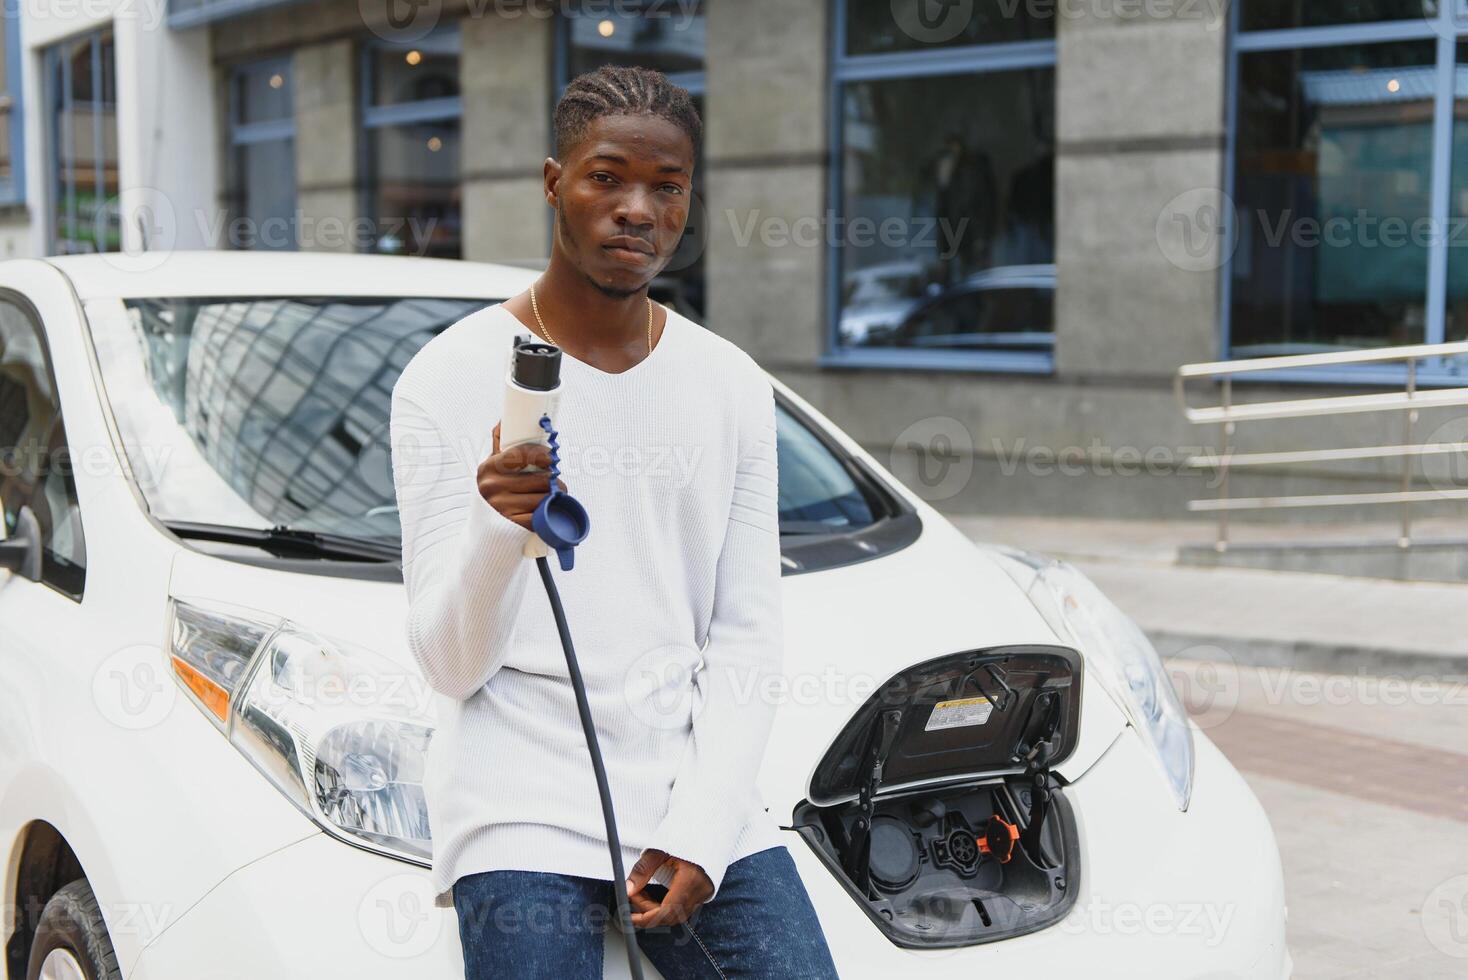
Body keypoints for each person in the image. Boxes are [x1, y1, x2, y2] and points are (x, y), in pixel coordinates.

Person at [388, 64, 841, 979]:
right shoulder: (445, 377)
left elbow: (747, 633)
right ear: (555, 183)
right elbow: (450, 665)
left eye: (666, 187)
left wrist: (704, 831)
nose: (638, 208)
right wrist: (494, 528)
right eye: (607, 177)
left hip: (685, 781)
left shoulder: (730, 384)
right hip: (516, 799)